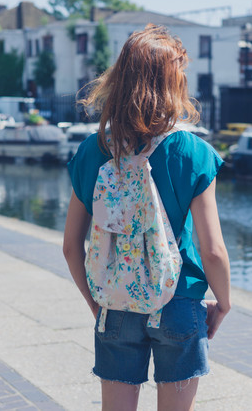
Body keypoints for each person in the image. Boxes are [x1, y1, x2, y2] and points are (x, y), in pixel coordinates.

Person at [62, 24, 231, 411]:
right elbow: (213, 250)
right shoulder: (192, 151)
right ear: (174, 83)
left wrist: (98, 304)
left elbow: (72, 246)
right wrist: (223, 302)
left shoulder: (93, 150)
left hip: (116, 302)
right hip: (179, 299)